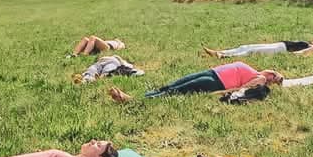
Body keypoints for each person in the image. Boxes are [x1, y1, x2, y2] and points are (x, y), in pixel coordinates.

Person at [109, 62, 283, 103]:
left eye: (275, 77)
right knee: (173, 86)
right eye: (274, 71)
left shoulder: (260, 79)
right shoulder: (257, 71)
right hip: (211, 72)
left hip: (215, 81)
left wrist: (220, 93)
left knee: (178, 91)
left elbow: (241, 88)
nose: (272, 73)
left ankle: (133, 100)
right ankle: (143, 96)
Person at [203, 38, 313, 58]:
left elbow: (303, 53)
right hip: (279, 45)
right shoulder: (312, 43)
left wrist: (293, 55)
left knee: (251, 51)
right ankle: (219, 52)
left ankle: (224, 56)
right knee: (246, 46)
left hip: (281, 49)